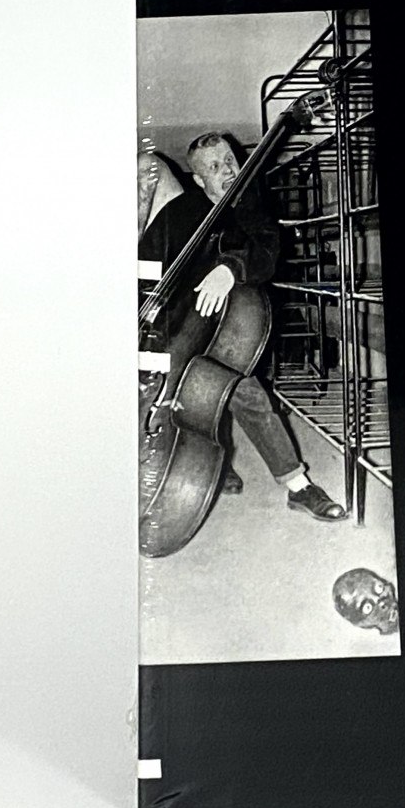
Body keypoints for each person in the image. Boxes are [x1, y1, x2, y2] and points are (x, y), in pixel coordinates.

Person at [138, 133, 346, 523]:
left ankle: (299, 487)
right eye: (214, 167)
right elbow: (145, 264)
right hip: (174, 328)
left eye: (230, 160)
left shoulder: (250, 206)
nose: (228, 171)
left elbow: (267, 251)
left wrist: (230, 268)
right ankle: (214, 467)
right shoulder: (179, 212)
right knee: (171, 400)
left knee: (244, 392)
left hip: (225, 331)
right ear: (198, 179)